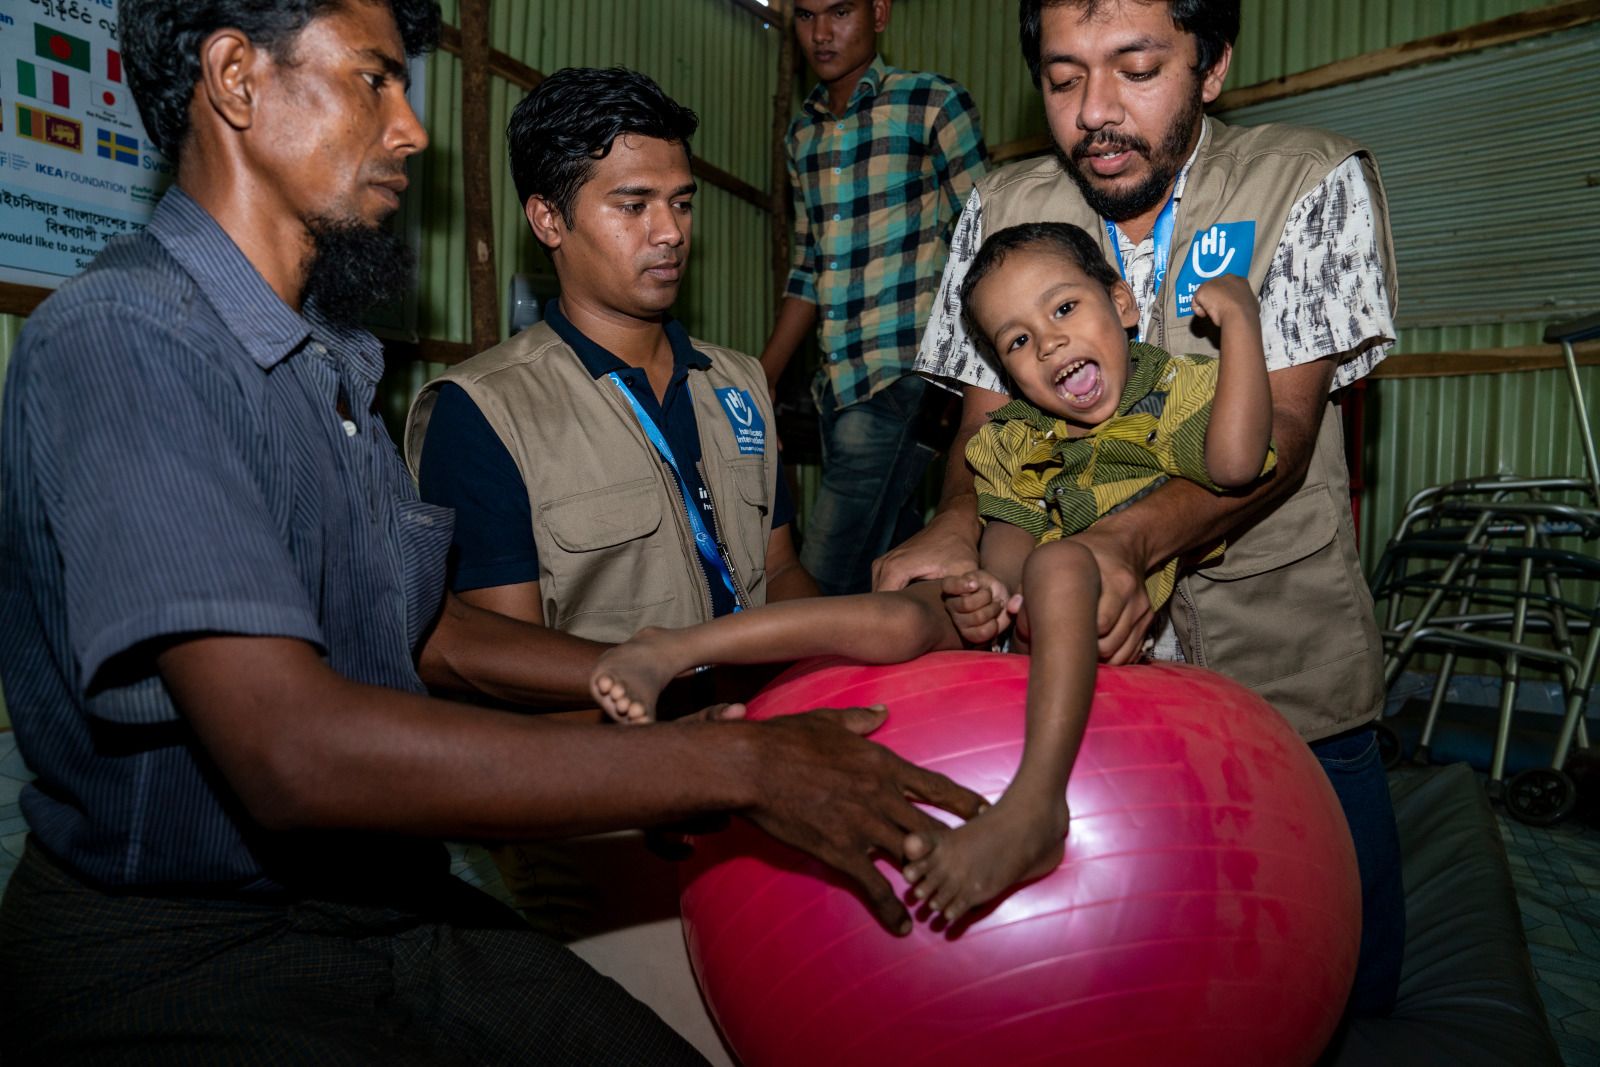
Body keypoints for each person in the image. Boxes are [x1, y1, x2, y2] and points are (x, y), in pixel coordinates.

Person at [0, 5, 983, 1063]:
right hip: (185, 949)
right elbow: (289, 749)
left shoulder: (323, 361)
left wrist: (657, 682)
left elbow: (430, 635)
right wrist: (729, 762)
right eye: (375, 79)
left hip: (387, 904)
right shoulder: (129, 340)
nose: (412, 128)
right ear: (237, 79)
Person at [876, 0, 1405, 1016]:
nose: (1095, 113)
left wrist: (1124, 538)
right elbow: (979, 438)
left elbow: (1283, 439)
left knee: (1341, 992)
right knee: (1125, 984)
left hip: (1285, 676)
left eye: (1135, 67)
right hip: (1074, 701)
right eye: (1063, 77)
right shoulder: (996, 205)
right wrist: (953, 521)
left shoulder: (1310, 178)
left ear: (1210, 67)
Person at [591, 221, 1274, 923]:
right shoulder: (1013, 436)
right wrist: (986, 590)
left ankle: (1037, 805)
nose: (1049, 342)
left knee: (1068, 560)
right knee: (908, 610)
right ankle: (674, 646)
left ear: (1122, 304)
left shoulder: (1171, 394)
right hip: (1014, 620)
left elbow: (1235, 465)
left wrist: (1242, 325)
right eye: (1018, 340)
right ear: (1006, 372)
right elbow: (1006, 536)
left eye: (1065, 308)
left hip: (1094, 631)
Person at [403, 67, 820, 1065]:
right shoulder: (483, 413)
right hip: (606, 825)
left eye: (680, 202)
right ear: (548, 218)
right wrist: (677, 754)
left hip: (770, 780)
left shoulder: (742, 384)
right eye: (631, 206)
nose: (669, 231)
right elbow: (496, 668)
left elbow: (782, 579)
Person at [757, 0, 988, 596]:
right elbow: (809, 267)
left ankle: (802, 689)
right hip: (836, 389)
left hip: (905, 379)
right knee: (896, 566)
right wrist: (763, 379)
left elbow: (987, 244)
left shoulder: (931, 102)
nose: (822, 33)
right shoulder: (802, 135)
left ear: (878, 14)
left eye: (840, 12)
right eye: (806, 16)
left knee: (821, 577)